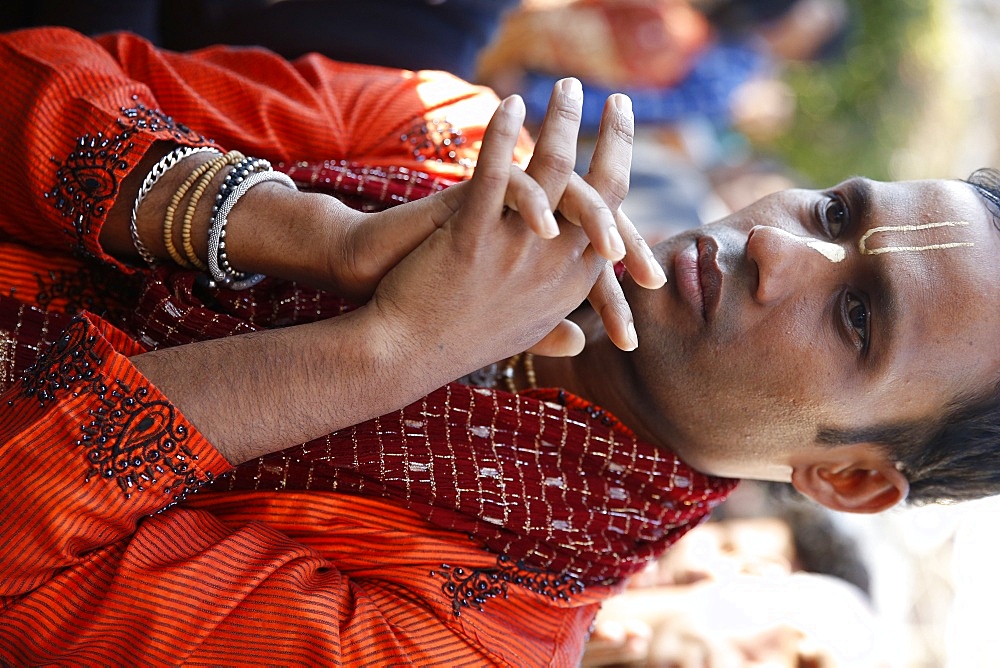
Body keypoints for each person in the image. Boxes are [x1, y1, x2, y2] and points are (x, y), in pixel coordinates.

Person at [0, 26, 998, 664]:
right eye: (835, 207)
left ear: (851, 478)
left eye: (857, 314)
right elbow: (31, 77)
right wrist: (311, 234)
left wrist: (378, 356)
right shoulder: (463, 138)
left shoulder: (476, 638)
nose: (777, 244)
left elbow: (21, 576)